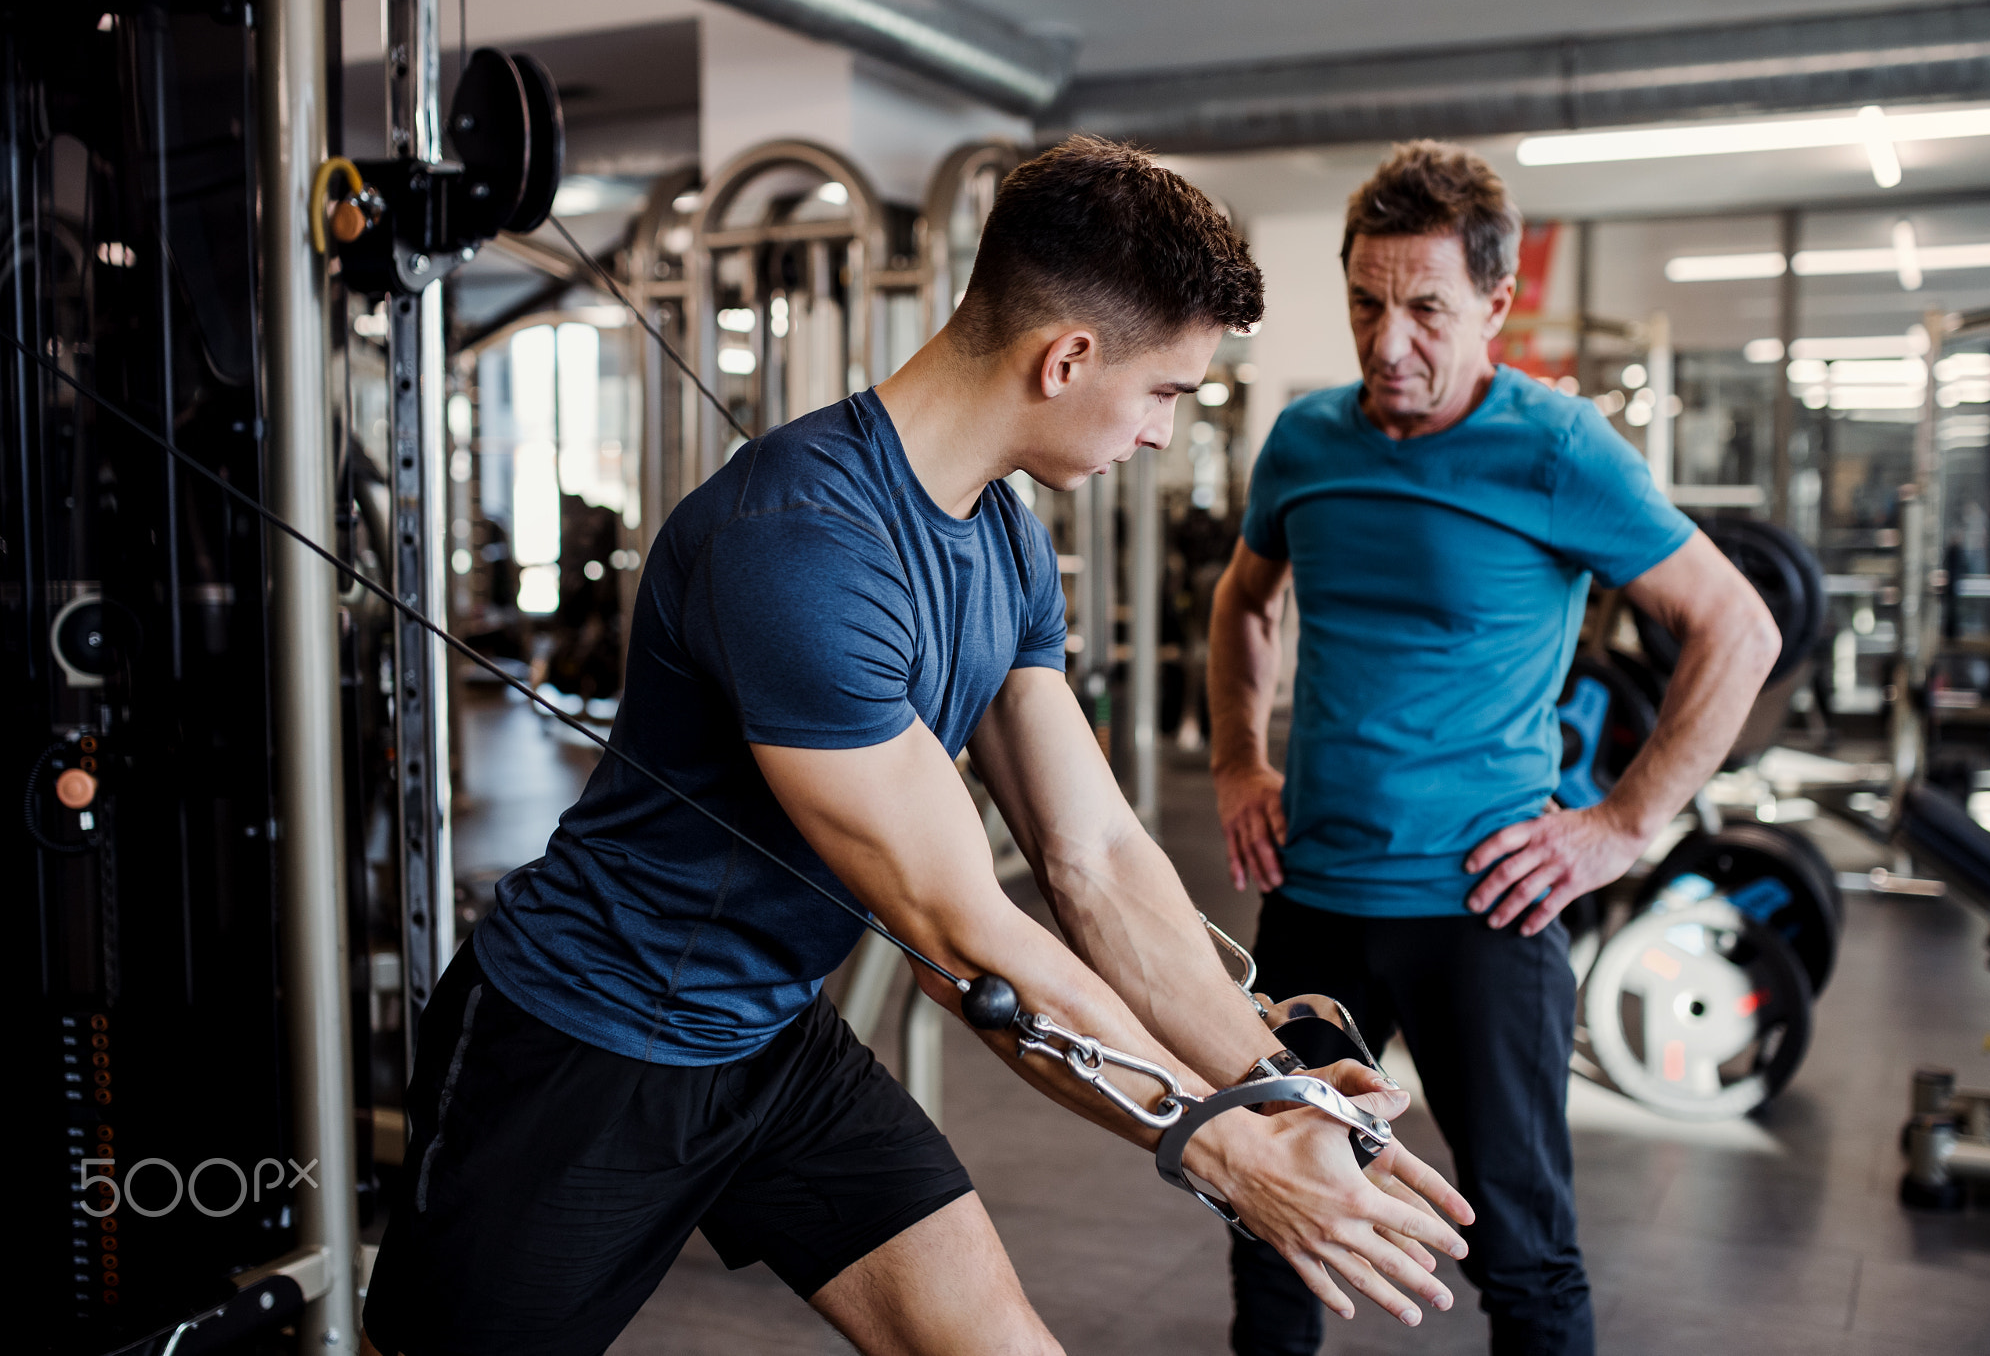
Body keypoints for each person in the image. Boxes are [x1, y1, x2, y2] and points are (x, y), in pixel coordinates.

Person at [363, 137, 1475, 1356]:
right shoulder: (798, 544)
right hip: (587, 1041)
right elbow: (961, 930)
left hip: (770, 1035)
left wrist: (1277, 1078)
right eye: (1164, 391)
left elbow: (1093, 854)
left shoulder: (999, 539)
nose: (1163, 433)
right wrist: (1227, 1149)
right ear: (1066, 358)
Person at [1207, 141, 1781, 1356]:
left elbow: (1737, 625)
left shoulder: (1557, 449)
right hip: (1313, 899)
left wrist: (1620, 826)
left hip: (1483, 907)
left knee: (1520, 1250)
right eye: (1365, 303)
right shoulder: (1306, 442)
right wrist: (1233, 761)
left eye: (1423, 308)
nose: (1387, 340)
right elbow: (1243, 601)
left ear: (1494, 305)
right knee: (1267, 1215)